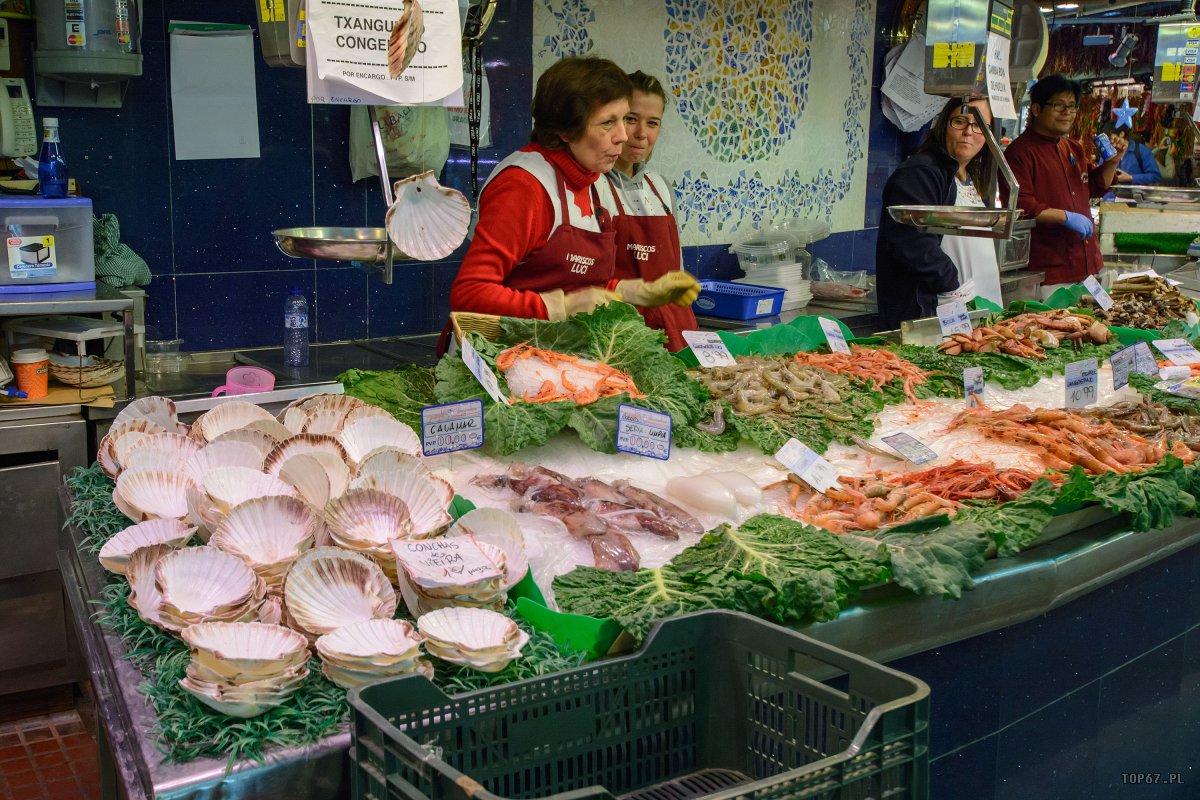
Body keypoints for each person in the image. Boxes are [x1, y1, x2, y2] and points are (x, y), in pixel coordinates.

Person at [445, 56, 699, 348]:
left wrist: (634, 292)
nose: (623, 136)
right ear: (566, 131)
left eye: (623, 118)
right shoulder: (524, 186)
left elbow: (582, 287)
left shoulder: (589, 181)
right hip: (498, 362)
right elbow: (469, 294)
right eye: (608, 123)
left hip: (551, 358)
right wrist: (562, 307)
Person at [876, 98, 1003, 330]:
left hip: (976, 313)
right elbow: (913, 242)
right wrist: (951, 285)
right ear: (944, 124)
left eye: (979, 125)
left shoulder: (969, 176)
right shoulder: (922, 172)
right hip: (941, 311)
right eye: (960, 121)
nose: (968, 132)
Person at [1000, 74, 1127, 298]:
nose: (1067, 112)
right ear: (1037, 109)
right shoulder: (1019, 153)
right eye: (1058, 105)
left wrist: (1112, 162)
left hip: (1087, 264)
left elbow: (1096, 187)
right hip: (1050, 270)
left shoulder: (1073, 148)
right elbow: (1021, 205)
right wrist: (1065, 217)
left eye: (1072, 106)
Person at [603, 70, 698, 351]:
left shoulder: (661, 188)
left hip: (675, 333)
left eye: (653, 123)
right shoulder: (592, 187)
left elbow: (677, 271)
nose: (641, 134)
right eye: (631, 119)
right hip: (619, 337)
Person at [1103, 120, 1162, 186]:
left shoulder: (1142, 151)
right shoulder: (1107, 152)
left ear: (1121, 134)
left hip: (1133, 195)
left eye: (1110, 138)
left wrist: (1130, 178)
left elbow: (1155, 176)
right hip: (1110, 195)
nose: (1109, 141)